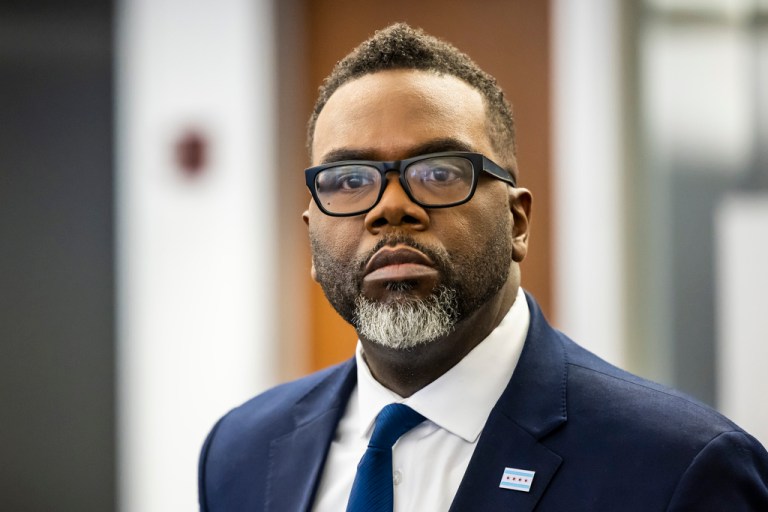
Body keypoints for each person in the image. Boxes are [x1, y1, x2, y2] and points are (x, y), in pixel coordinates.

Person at [198, 23, 768, 511]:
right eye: (349, 181)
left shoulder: (678, 468)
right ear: (311, 241)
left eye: (440, 172)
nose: (390, 207)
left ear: (517, 222)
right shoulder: (242, 451)